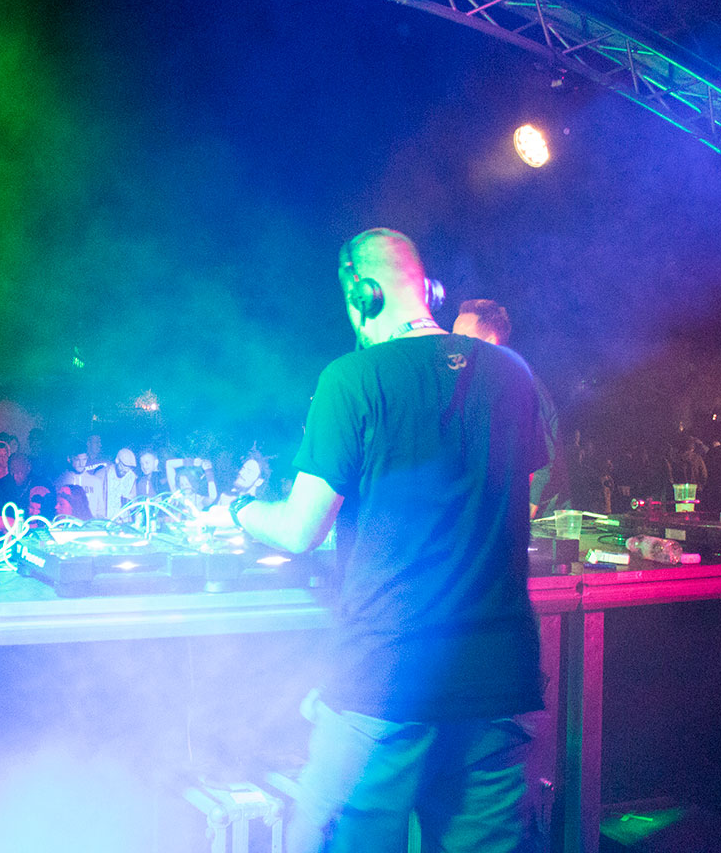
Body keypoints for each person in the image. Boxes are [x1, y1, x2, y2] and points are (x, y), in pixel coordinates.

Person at [205, 229, 545, 853]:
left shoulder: (352, 378)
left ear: (363, 293)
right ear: (429, 290)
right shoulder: (513, 373)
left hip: (389, 675)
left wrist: (239, 509)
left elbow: (300, 530)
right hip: (499, 679)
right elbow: (523, 501)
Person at [453, 298, 572, 519]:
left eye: (463, 339)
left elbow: (545, 461)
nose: (453, 346)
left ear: (490, 342)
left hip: (544, 520)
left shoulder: (516, 382)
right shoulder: (479, 386)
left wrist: (523, 514)